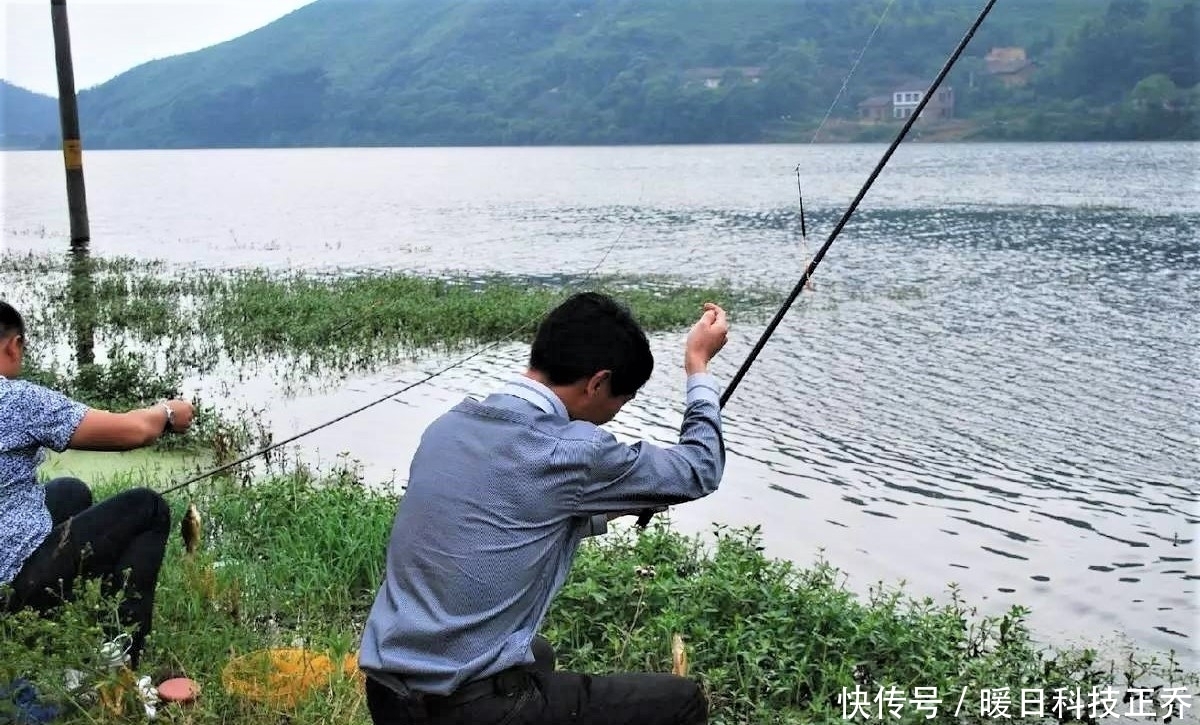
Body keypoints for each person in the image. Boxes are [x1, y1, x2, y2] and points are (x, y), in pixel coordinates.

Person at [358, 291, 729, 725]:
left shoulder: (449, 426)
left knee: (538, 655)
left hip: (388, 695)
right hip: (466, 709)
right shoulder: (572, 451)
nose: (613, 414)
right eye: (620, 400)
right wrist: (698, 366)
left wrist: (620, 504)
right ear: (596, 383)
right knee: (682, 702)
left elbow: (515, 510)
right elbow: (701, 468)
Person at [0, 301, 195, 670]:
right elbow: (132, 432)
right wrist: (169, 413)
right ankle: (119, 654)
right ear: (14, 345)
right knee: (148, 508)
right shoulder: (14, 399)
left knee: (70, 491)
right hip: (10, 586)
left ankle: (49, 619)